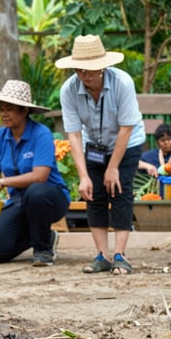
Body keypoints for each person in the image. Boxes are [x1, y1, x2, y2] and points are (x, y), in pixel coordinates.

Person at [55, 35, 145, 275]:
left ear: (103, 66)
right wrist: (83, 175)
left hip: (126, 143)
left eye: (91, 70)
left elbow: (126, 128)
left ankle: (120, 255)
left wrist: (113, 167)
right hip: (94, 145)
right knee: (93, 193)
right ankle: (102, 256)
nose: (86, 76)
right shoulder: (69, 90)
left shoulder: (122, 83)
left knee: (119, 190)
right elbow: (73, 134)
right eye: (80, 70)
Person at [0, 80, 69, 267]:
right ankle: (45, 235)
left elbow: (40, 176)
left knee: (36, 191)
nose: (4, 114)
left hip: (50, 198)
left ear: (24, 110)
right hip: (20, 201)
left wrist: (4, 182)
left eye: (9, 109)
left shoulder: (40, 133)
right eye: (1, 109)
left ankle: (43, 250)